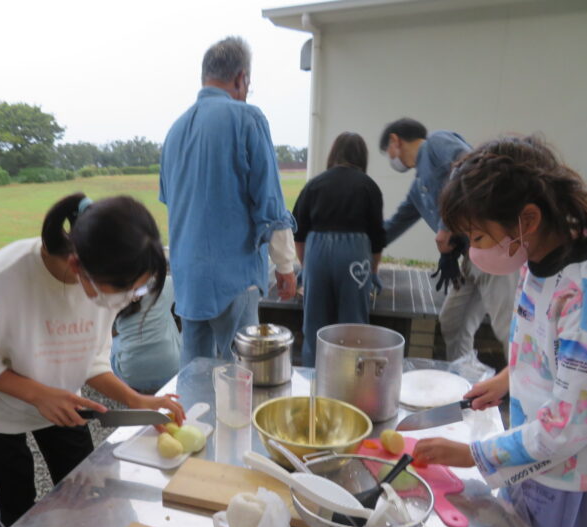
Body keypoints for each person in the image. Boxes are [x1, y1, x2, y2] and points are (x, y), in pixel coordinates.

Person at [413, 136, 587, 527]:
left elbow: (568, 424)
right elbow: (539, 346)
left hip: (570, 480)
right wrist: (506, 380)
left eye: (478, 238)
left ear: (527, 220)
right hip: (530, 459)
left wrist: (469, 454)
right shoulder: (537, 261)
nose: (475, 251)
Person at [0, 193, 185, 527]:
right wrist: (38, 394)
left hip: (65, 402)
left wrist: (136, 401)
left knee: (90, 494)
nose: (124, 300)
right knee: (16, 519)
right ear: (76, 267)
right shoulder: (5, 279)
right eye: (120, 291)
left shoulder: (106, 274)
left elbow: (91, 358)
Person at [160, 36, 298, 366]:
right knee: (241, 375)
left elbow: (172, 201)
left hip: (188, 280)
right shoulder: (247, 118)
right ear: (241, 78)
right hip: (233, 278)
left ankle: (189, 420)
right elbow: (270, 203)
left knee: (194, 376)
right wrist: (285, 265)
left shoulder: (174, 131)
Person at [381, 117, 518, 361]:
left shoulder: (436, 142)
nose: (391, 159)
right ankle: (466, 378)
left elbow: (469, 165)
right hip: (469, 258)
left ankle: (525, 388)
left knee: (507, 328)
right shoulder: (418, 187)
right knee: (453, 321)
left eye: (387, 152)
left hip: (493, 248)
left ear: (395, 140)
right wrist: (361, 237)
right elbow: (394, 224)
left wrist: (446, 226)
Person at [292, 132, 385, 367]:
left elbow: (299, 233)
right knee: (354, 327)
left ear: (333, 154)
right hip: (354, 255)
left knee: (314, 326)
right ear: (362, 157)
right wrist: (372, 272)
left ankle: (312, 384)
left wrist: (306, 267)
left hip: (317, 252)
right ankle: (351, 386)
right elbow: (377, 238)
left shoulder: (314, 184)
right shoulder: (368, 186)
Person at [111, 275, 182, 393]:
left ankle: (132, 387)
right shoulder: (163, 284)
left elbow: (111, 332)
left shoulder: (113, 293)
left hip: (131, 376)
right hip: (172, 371)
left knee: (114, 342)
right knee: (175, 324)